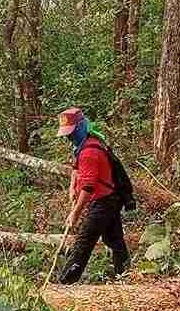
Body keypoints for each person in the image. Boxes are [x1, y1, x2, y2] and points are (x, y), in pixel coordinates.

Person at [56, 107, 130, 284]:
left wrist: (75, 213)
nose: (69, 137)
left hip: (104, 201)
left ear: (80, 127)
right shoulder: (85, 144)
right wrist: (72, 186)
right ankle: (126, 275)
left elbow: (88, 187)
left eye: (71, 133)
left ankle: (65, 283)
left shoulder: (90, 151)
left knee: (84, 241)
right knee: (115, 240)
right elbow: (76, 167)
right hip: (110, 198)